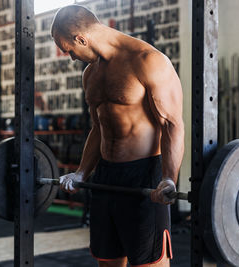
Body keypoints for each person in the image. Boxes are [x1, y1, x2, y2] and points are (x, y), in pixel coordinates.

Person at [50, 5, 184, 267]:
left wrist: (169, 177)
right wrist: (81, 173)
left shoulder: (147, 60)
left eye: (69, 50)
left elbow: (172, 124)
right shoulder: (91, 73)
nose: (71, 58)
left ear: (82, 39)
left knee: (148, 262)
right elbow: (98, 128)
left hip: (144, 177)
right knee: (108, 260)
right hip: (106, 176)